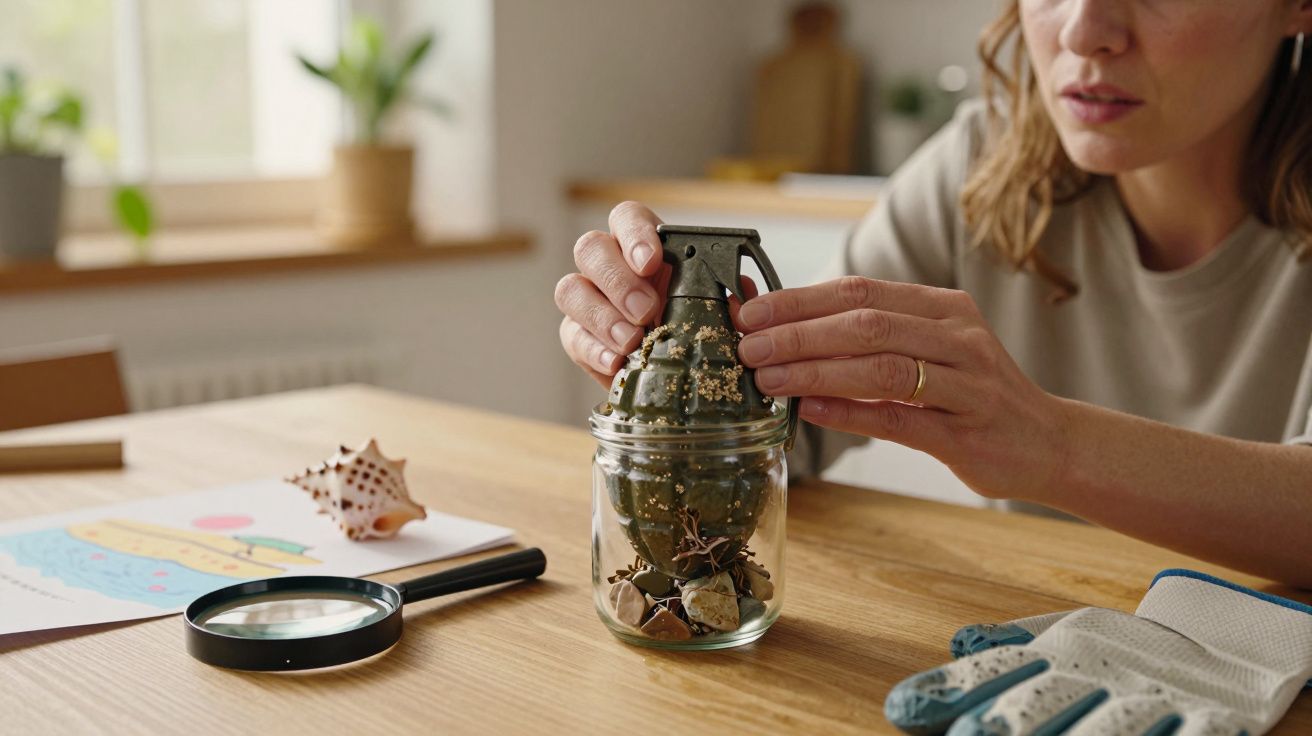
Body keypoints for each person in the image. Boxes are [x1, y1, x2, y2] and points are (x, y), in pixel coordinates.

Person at [554, 0, 1312, 588]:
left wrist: (1052, 445)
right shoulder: (982, 166)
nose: (1084, 31)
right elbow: (792, 426)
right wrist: (676, 362)